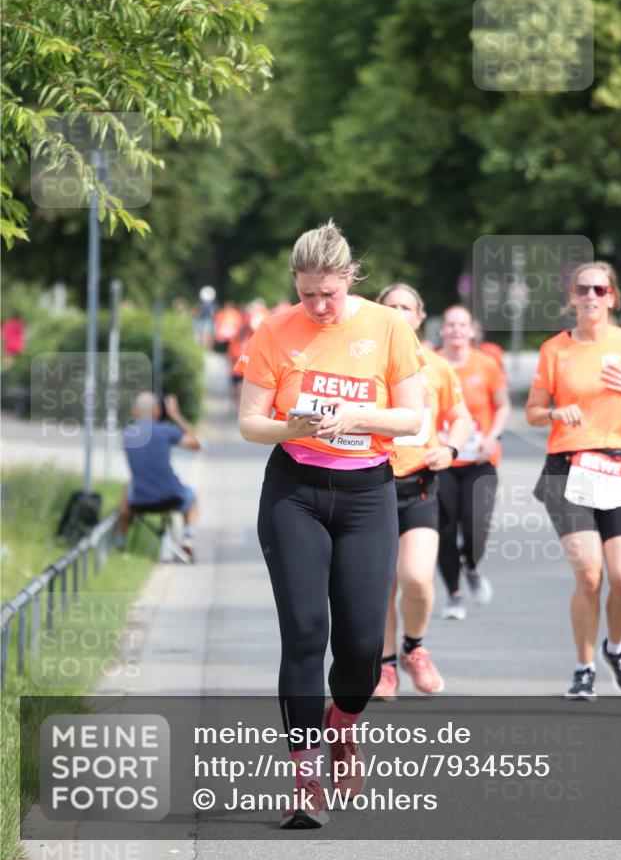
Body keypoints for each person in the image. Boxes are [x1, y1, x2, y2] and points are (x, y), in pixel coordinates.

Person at [235, 221, 424, 830]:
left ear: (350, 279)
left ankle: (343, 723)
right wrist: (291, 427)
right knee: (305, 631)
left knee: (363, 647)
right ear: (296, 282)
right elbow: (248, 422)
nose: (318, 306)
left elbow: (413, 419)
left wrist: (358, 414)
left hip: (369, 492)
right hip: (296, 491)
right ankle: (303, 775)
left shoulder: (388, 327)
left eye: (329, 294)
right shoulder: (274, 331)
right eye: (307, 293)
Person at [526, 262, 621, 699]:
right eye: (582, 288)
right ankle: (583, 668)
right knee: (589, 575)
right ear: (571, 297)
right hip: (568, 467)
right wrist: (554, 413)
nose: (590, 296)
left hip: (618, 465)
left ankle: (615, 649)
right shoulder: (554, 350)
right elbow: (532, 412)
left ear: (613, 297)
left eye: (599, 289)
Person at [373, 283, 472, 700]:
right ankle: (384, 667)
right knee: (380, 586)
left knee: (416, 579)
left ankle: (414, 648)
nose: (398, 313)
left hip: (420, 487)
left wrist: (449, 449)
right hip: (371, 487)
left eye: (406, 307)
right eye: (390, 306)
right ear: (378, 314)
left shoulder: (435, 367)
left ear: (419, 317)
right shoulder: (363, 365)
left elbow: (461, 417)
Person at [437, 306, 510, 620]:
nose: (456, 330)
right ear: (442, 330)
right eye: (450, 324)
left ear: (471, 331)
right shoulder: (431, 363)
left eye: (462, 324)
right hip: (442, 461)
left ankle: (472, 565)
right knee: (445, 530)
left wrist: (493, 436)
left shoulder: (487, 364)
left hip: (480, 459)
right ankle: (454, 595)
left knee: (476, 527)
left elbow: (503, 405)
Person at [114, 393, 201, 559]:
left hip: (140, 499)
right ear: (158, 412)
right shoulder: (166, 431)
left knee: (127, 494)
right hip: (171, 495)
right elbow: (197, 443)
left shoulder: (127, 434)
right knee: (192, 497)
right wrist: (176, 416)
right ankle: (188, 539)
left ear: (135, 411)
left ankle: (119, 543)